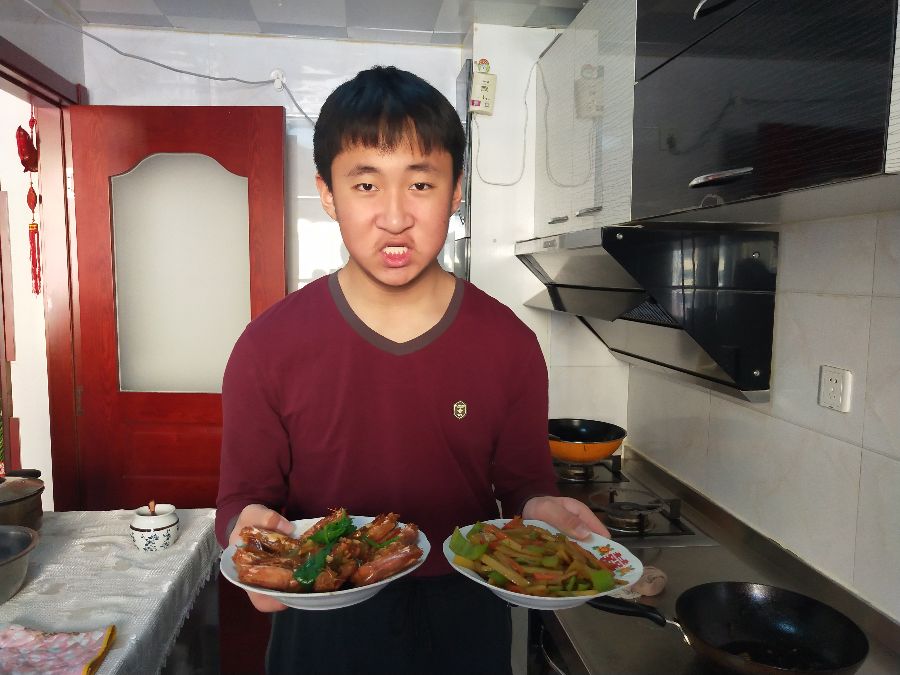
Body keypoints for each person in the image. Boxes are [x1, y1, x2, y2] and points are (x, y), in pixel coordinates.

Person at [215, 65, 609, 675]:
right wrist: (246, 532)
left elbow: (524, 482)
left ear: (456, 193)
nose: (395, 216)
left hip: (465, 621)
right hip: (322, 619)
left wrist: (542, 509)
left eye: (421, 184)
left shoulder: (508, 343)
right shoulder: (267, 346)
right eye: (366, 185)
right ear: (328, 194)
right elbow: (242, 499)